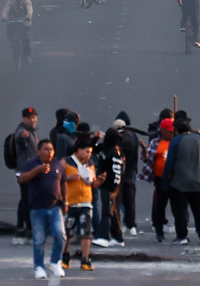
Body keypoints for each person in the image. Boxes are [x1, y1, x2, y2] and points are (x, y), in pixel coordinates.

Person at [17, 140, 67, 279]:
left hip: (55, 206)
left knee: (60, 235)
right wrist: (37, 170)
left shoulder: (57, 164)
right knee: (39, 239)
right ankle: (39, 266)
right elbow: (21, 179)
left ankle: (55, 262)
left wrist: (66, 201)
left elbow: (63, 183)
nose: (49, 152)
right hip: (37, 208)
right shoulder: (31, 164)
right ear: (39, 151)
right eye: (46, 149)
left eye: (51, 149)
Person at [162, 118, 200, 246]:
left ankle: (182, 236)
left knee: (180, 211)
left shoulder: (176, 141)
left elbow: (169, 163)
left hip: (180, 183)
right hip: (199, 181)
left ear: (176, 130)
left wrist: (165, 182)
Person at [61, 140, 103, 271]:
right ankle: (64, 255)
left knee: (86, 232)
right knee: (68, 232)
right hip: (70, 202)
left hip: (86, 202)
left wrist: (99, 181)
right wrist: (69, 177)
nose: (88, 155)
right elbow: (57, 178)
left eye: (90, 152)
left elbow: (92, 183)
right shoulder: (66, 162)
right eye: (86, 152)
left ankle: (85, 259)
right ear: (78, 150)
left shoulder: (91, 165)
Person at [140, 117, 175, 242]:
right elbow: (147, 159)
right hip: (160, 179)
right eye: (169, 131)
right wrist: (144, 150)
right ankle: (158, 230)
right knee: (159, 205)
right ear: (163, 131)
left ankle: (181, 231)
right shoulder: (155, 143)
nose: (171, 133)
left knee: (177, 205)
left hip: (175, 179)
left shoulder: (175, 142)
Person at [11, 108, 40, 245]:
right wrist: (23, 137)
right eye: (30, 118)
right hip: (25, 172)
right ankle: (27, 229)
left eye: (34, 117)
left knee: (25, 199)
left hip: (30, 171)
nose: (33, 120)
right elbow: (19, 139)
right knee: (27, 200)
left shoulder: (32, 131)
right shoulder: (22, 131)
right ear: (24, 118)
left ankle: (21, 228)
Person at [111, 113, 141, 236]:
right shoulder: (133, 136)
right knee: (130, 202)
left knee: (117, 201)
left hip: (118, 173)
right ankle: (131, 225)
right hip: (130, 172)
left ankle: (118, 225)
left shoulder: (116, 139)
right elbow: (135, 155)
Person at [2, 0, 33, 64]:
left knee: (25, 38)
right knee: (9, 30)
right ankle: (11, 43)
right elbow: (6, 9)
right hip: (13, 20)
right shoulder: (11, 1)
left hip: (24, 21)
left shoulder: (26, 1)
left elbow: (29, 9)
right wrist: (4, 17)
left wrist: (28, 16)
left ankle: (27, 55)